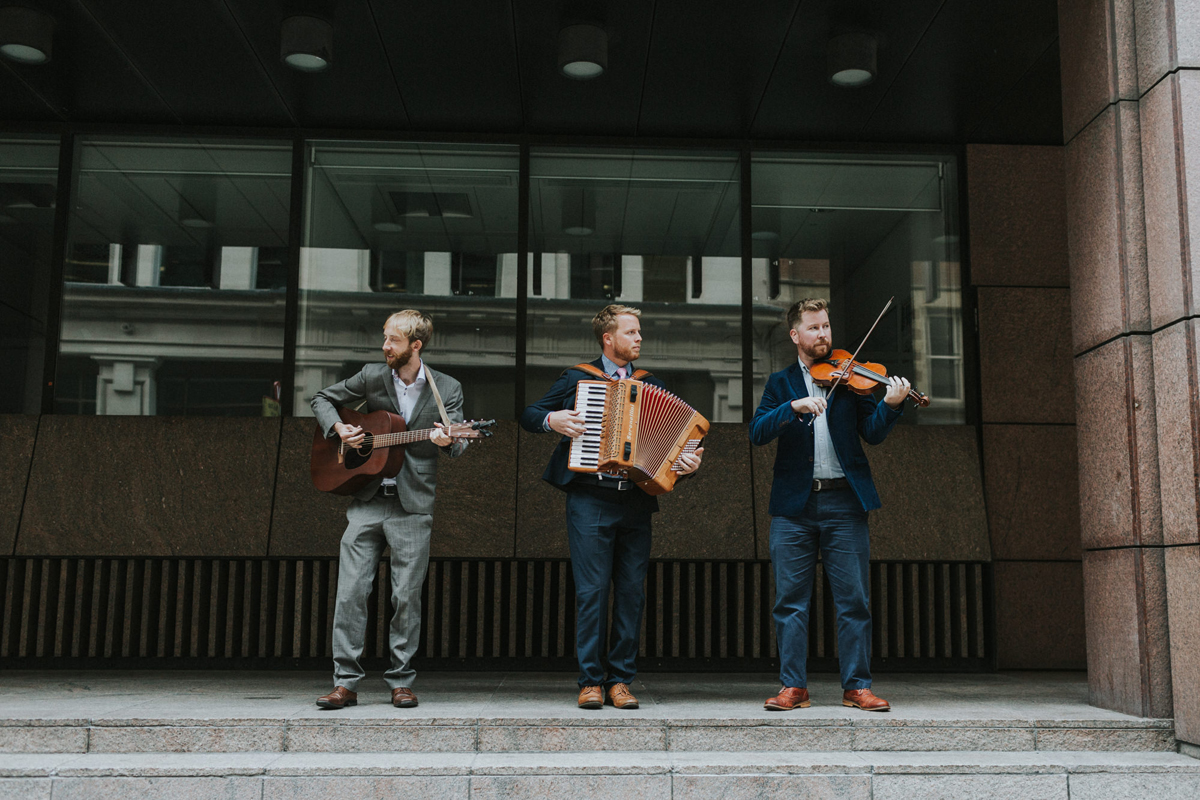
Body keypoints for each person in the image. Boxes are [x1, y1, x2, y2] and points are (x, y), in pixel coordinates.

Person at [520, 304, 703, 710]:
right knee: (592, 591)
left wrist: (687, 465)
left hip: (635, 501)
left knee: (632, 593)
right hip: (590, 498)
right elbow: (528, 414)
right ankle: (591, 681)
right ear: (608, 338)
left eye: (640, 332)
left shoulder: (650, 382)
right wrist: (554, 420)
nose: (639, 339)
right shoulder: (578, 378)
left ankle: (620, 680)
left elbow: (676, 445)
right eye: (632, 332)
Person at [749, 298, 910, 713]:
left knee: (853, 599)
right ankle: (793, 687)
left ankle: (857, 686)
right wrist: (793, 407)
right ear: (795, 335)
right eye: (814, 328)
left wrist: (891, 406)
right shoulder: (780, 383)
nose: (823, 335)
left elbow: (871, 433)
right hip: (793, 509)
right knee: (790, 600)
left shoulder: (851, 377)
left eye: (826, 327)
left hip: (844, 502)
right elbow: (757, 431)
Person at [311, 309, 468, 710]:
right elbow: (322, 397)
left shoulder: (445, 388)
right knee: (350, 593)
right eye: (385, 338)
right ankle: (345, 682)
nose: (385, 347)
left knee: (406, 596)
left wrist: (449, 441)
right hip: (366, 501)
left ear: (415, 346)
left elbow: (462, 442)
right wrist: (340, 429)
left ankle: (401, 680)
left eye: (393, 341)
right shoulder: (371, 375)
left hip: (412, 506)